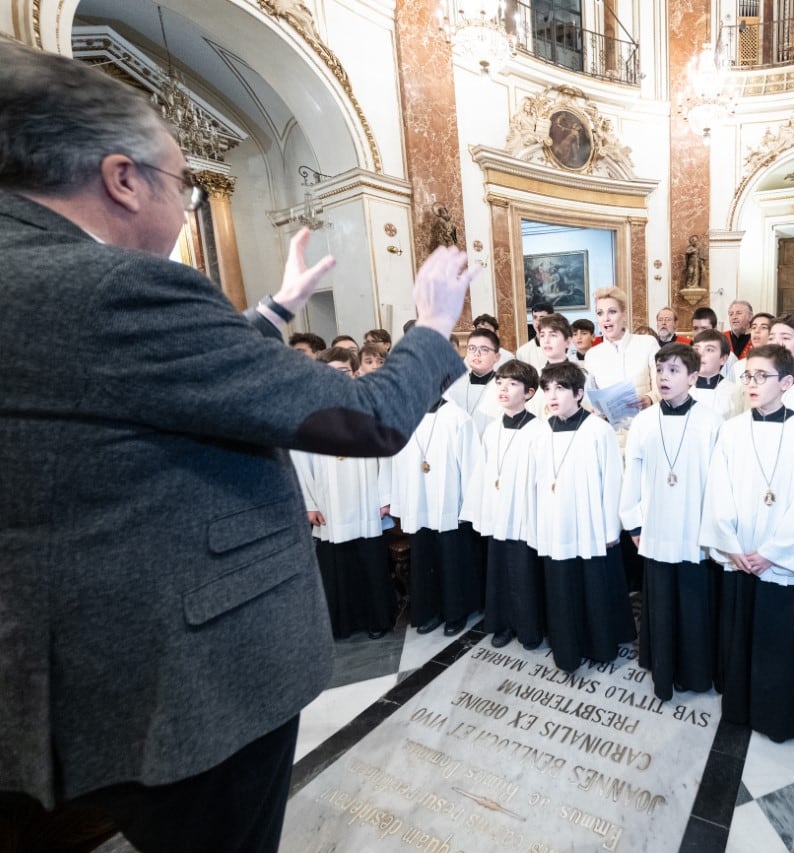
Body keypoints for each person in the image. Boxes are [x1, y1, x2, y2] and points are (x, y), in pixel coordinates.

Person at [0, 38, 475, 853]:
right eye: (182, 183)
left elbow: (136, 379)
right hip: (186, 683)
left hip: (67, 667)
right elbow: (371, 416)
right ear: (121, 177)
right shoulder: (114, 287)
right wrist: (432, 324)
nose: (186, 205)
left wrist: (278, 309)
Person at [700, 344, 794, 742]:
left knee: (773, 640)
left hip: (777, 562)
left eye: (762, 376)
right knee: (736, 633)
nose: (751, 383)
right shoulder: (732, 429)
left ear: (786, 382)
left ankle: (773, 716)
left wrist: (771, 553)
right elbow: (718, 489)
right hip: (739, 556)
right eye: (747, 375)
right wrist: (732, 545)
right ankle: (737, 708)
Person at [620, 343, 724, 701]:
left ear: (693, 377)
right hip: (656, 526)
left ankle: (693, 672)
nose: (664, 377)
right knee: (661, 600)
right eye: (660, 370)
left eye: (674, 370)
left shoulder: (711, 421)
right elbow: (631, 472)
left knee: (694, 602)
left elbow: (719, 481)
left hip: (695, 530)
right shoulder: (645, 422)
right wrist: (633, 522)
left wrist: (714, 530)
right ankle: (660, 665)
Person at [528, 362, 634, 672]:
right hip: (554, 521)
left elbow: (613, 480)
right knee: (561, 586)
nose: (552, 395)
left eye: (560, 388)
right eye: (547, 388)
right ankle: (567, 647)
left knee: (591, 583)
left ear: (579, 393)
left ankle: (599, 645)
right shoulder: (540, 430)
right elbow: (534, 482)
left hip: (589, 523)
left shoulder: (598, 430)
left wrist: (610, 528)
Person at [291, 348, 397, 641]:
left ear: (355, 373)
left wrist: (384, 497)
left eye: (343, 372)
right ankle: (343, 624)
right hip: (328, 501)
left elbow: (385, 455)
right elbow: (300, 462)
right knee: (337, 564)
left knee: (370, 561)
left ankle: (377, 620)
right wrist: (309, 504)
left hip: (365, 498)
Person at [464, 359, 551, 651]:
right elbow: (484, 473)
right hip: (499, 511)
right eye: (499, 382)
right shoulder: (491, 429)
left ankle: (530, 628)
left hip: (526, 514)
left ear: (528, 392)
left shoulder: (540, 431)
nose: (503, 388)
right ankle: (502, 624)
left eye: (512, 384)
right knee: (500, 569)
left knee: (525, 572)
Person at [389, 395, 482, 638]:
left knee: (452, 558)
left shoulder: (458, 418)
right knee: (424, 556)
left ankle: (455, 612)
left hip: (449, 502)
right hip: (418, 499)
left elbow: (472, 465)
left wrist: (468, 505)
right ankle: (428, 611)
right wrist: (397, 498)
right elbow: (395, 461)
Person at [583, 287, 660, 424]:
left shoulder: (647, 343)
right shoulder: (592, 355)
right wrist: (595, 411)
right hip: (611, 433)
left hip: (646, 425)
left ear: (624, 314)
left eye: (612, 312)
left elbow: (663, 385)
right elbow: (589, 400)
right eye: (600, 313)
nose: (606, 318)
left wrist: (649, 398)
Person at [444, 327, 503, 436]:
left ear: (497, 357)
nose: (477, 353)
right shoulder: (454, 385)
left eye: (484, 349)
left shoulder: (503, 388)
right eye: (472, 348)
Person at [691, 329, 744, 421]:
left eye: (709, 349)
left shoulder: (735, 393)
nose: (700, 354)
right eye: (696, 349)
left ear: (723, 359)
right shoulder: (680, 390)